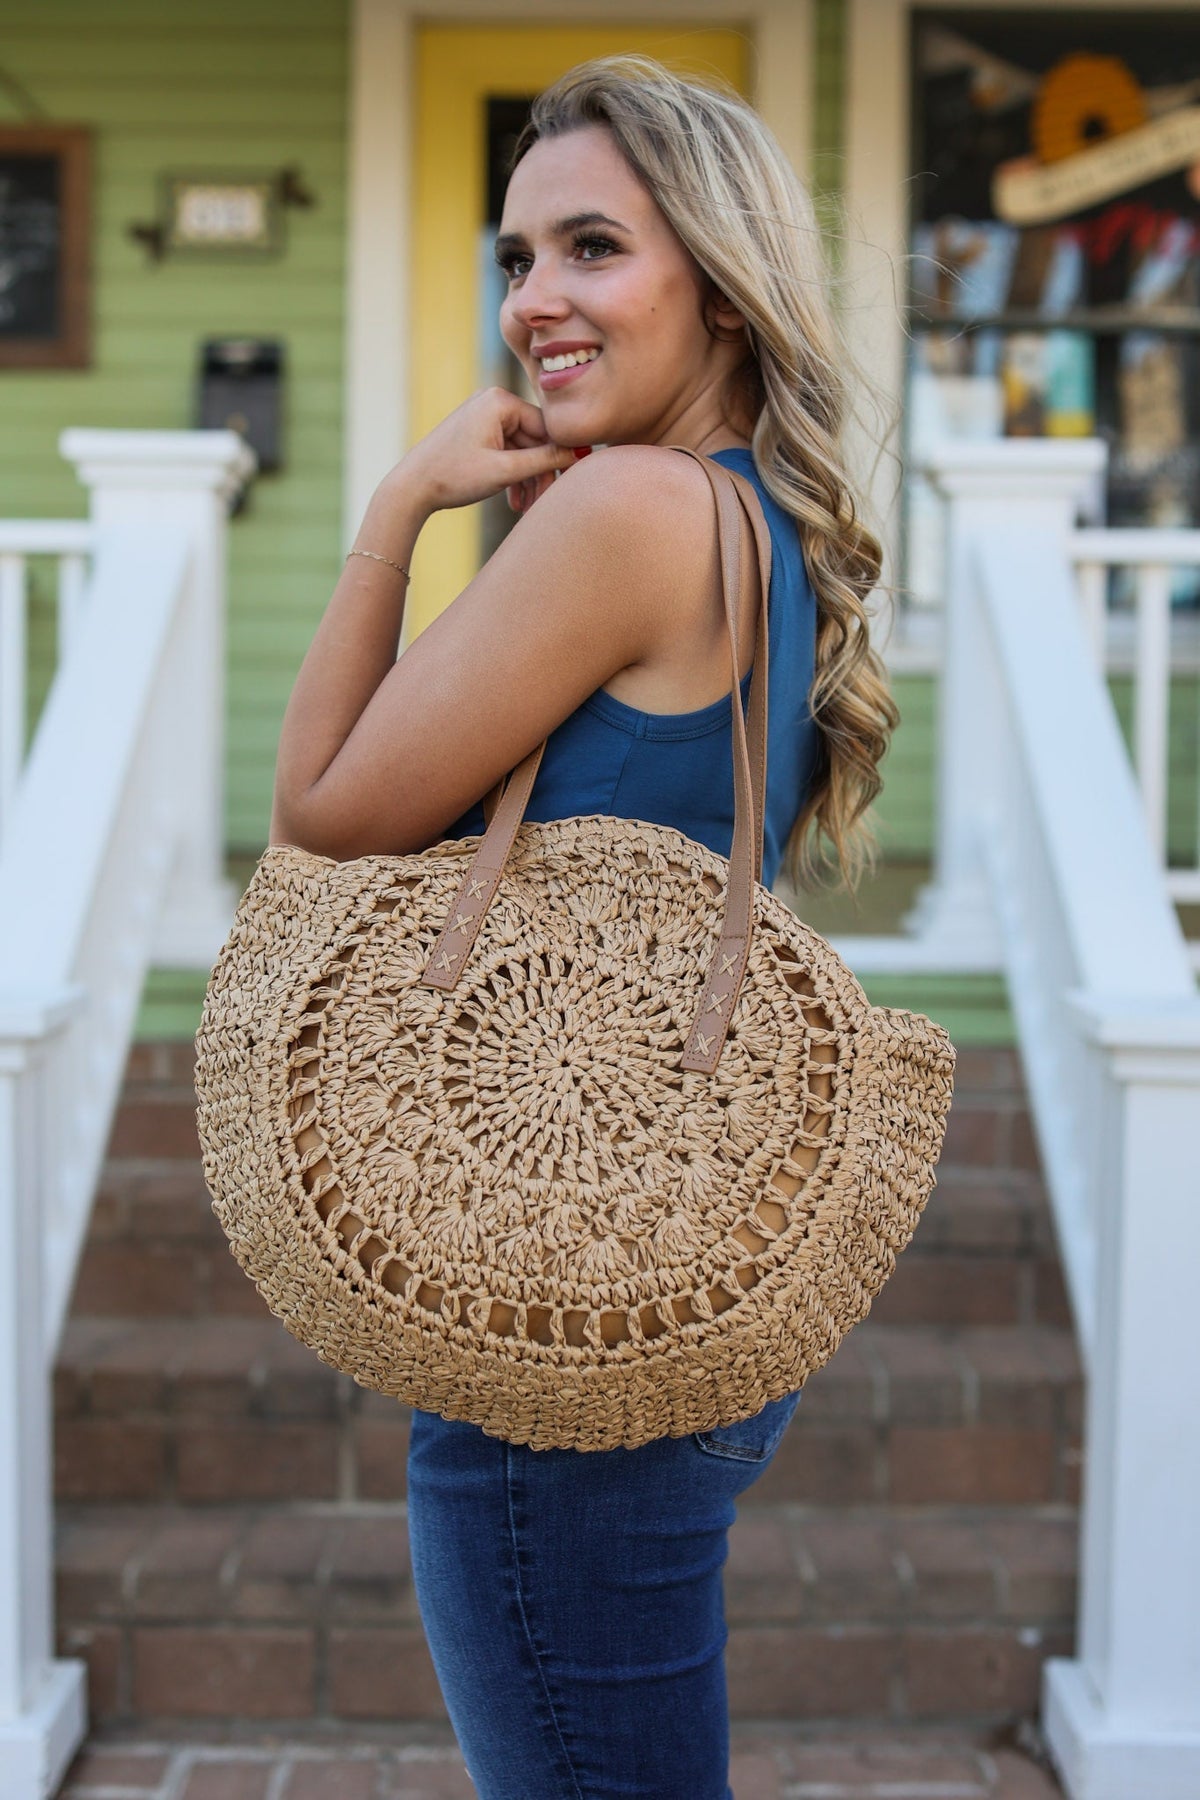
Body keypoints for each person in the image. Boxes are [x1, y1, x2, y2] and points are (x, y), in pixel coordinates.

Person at [269, 53, 897, 1800]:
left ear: (722, 284)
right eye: (517, 255)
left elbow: (322, 812)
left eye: (593, 248)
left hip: (563, 1313)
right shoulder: (755, 522)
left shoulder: (628, 511)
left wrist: (401, 508)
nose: (533, 299)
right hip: (662, 1254)